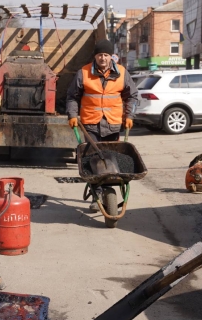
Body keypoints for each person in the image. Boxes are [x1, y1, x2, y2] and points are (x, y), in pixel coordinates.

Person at [66, 39, 139, 212]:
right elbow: (72, 97)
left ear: (111, 56)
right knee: (94, 158)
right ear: (95, 56)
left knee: (111, 158)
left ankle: (109, 190)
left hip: (113, 123)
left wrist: (129, 115)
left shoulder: (121, 72)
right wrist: (72, 115)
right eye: (100, 55)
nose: (103, 58)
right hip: (90, 124)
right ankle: (96, 194)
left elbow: (133, 96)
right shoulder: (83, 73)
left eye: (106, 55)